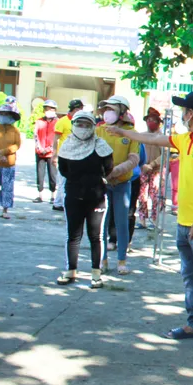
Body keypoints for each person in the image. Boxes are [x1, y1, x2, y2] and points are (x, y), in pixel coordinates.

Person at [104, 91, 193, 351]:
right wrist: (125, 133)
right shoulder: (186, 139)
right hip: (183, 221)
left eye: (184, 110)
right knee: (189, 276)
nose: (183, 114)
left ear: (191, 113)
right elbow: (153, 138)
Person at [57, 111, 113, 289]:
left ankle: (96, 273)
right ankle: (70, 270)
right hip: (73, 195)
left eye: (87, 124)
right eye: (79, 124)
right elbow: (63, 169)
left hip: (96, 197)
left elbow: (108, 167)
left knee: (95, 236)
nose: (82, 128)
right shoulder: (66, 146)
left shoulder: (101, 145)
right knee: (73, 235)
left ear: (93, 126)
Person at [95, 95, 141, 276]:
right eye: (106, 109)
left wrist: (117, 171)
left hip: (122, 183)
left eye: (112, 109)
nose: (108, 113)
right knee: (101, 224)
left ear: (122, 111)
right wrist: (102, 172)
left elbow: (134, 158)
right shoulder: (100, 130)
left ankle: (122, 260)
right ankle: (102, 259)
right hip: (102, 183)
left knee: (122, 223)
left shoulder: (131, 132)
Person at [0, 104, 22, 219]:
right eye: (2, 114)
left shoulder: (15, 130)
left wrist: (4, 152)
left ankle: (5, 210)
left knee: (8, 187)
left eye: (6, 114)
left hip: (9, 162)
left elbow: (17, 144)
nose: (4, 116)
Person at [52, 99, 84, 212]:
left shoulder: (80, 122)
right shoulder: (62, 121)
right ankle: (59, 203)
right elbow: (56, 139)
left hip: (76, 156)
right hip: (64, 156)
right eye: (80, 109)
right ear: (75, 109)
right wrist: (54, 155)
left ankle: (66, 202)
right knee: (62, 180)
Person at [137, 108, 165, 229]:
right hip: (143, 170)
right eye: (149, 120)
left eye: (154, 120)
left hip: (156, 171)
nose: (151, 122)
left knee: (156, 197)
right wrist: (141, 164)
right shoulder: (141, 136)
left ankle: (155, 220)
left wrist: (152, 164)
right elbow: (136, 152)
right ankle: (142, 219)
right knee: (141, 195)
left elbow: (164, 155)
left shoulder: (162, 137)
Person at [34, 99, 59, 204]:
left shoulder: (57, 122)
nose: (49, 110)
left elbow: (57, 137)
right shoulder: (39, 121)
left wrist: (49, 148)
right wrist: (39, 147)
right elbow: (35, 135)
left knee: (52, 175)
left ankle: (53, 196)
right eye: (47, 108)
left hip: (51, 153)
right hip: (40, 152)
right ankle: (40, 195)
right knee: (40, 174)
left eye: (52, 108)